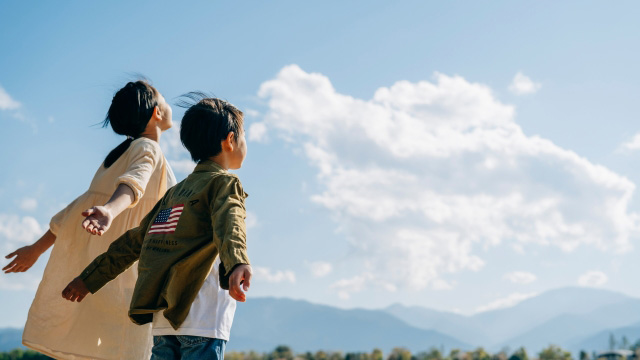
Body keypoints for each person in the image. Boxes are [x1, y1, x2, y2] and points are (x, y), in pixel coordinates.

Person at [62, 94, 253, 360]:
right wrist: (238, 263)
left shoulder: (173, 195)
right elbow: (230, 223)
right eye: (244, 138)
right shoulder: (225, 184)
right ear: (230, 140)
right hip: (203, 314)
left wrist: (89, 279)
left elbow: (133, 242)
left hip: (164, 320)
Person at [3, 80, 176, 359]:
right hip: (124, 273)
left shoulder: (116, 157)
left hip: (97, 273)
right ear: (156, 112)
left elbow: (77, 211)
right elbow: (133, 184)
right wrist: (110, 210)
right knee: (128, 349)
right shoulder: (148, 149)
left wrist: (36, 248)